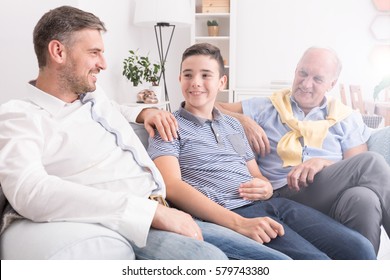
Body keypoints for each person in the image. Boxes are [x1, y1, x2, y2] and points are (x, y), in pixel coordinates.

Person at [0, 5, 233, 260]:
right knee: (212, 262)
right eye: (94, 53)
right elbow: (28, 190)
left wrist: (146, 113)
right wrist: (149, 213)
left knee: (276, 259)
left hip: (168, 209)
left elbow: (117, 108)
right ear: (58, 52)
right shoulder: (20, 116)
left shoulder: (92, 96)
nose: (103, 63)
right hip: (137, 224)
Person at [147, 42, 376, 259]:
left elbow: (255, 173)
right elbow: (172, 185)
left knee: (360, 248)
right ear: (179, 79)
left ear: (222, 82)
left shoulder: (233, 126)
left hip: (273, 204)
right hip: (233, 212)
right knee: (317, 262)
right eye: (188, 75)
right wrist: (238, 222)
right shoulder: (169, 125)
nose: (195, 82)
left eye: (205, 75)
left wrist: (265, 186)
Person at [218, 46, 390, 254]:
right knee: (373, 162)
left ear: (331, 84)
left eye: (317, 79)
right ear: (295, 71)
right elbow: (210, 106)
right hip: (280, 193)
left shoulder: (345, 117)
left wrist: (323, 163)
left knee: (364, 198)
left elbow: (357, 165)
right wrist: (242, 119)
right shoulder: (267, 107)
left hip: (329, 195)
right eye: (303, 73)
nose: (306, 84)